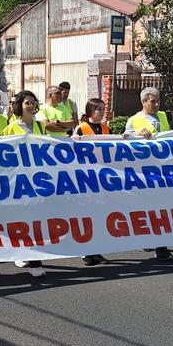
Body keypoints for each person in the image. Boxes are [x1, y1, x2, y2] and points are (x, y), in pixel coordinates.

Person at [123, 87, 173, 261]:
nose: (156, 104)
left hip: (162, 169)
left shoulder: (162, 116)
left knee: (161, 208)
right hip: (143, 171)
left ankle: (160, 246)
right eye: (152, 101)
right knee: (146, 208)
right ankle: (148, 238)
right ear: (144, 102)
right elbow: (124, 140)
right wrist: (136, 134)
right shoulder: (134, 120)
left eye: (158, 101)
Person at [1, 91, 47, 276]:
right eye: (27, 102)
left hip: (38, 179)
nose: (30, 105)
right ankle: (32, 261)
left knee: (35, 220)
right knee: (21, 219)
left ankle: (31, 255)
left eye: (33, 102)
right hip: (19, 180)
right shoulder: (11, 128)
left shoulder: (40, 126)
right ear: (20, 105)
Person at [72, 98, 111, 266]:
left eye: (103, 108)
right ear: (90, 111)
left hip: (102, 177)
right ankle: (86, 251)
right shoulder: (81, 128)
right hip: (86, 178)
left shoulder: (106, 129)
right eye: (98, 109)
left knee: (100, 215)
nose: (101, 112)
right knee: (87, 215)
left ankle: (97, 250)